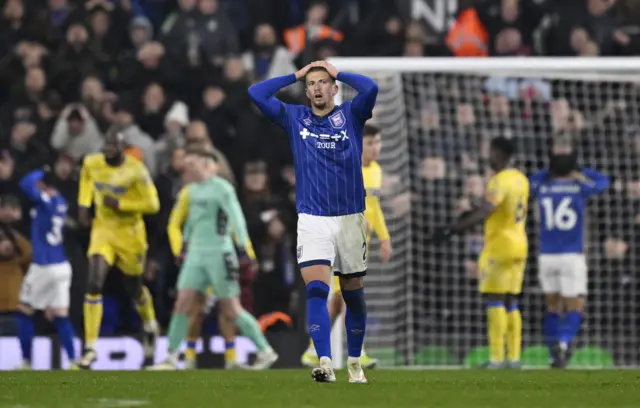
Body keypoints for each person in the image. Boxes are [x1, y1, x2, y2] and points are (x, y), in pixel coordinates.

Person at [249, 60, 378, 383]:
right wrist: (295, 75)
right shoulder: (296, 117)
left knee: (353, 294)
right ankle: (324, 361)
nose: (317, 88)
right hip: (312, 219)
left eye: (323, 82)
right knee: (317, 291)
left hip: (350, 219)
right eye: (311, 84)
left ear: (334, 89)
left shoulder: (352, 114)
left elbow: (371, 88)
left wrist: (339, 72)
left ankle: (354, 364)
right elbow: (256, 93)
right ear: (306, 91)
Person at [149, 147, 278, 370]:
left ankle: (265, 350)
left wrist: (244, 250)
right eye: (188, 166)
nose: (189, 168)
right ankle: (171, 356)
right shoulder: (190, 191)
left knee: (231, 308)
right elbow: (191, 222)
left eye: (193, 164)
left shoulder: (222, 189)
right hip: (196, 256)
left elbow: (237, 221)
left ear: (207, 163)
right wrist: (183, 247)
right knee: (182, 303)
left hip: (220, 253)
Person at [430, 136, 528, 369]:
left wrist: (453, 228)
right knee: (511, 300)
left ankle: (496, 358)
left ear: (500, 154)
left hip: (500, 246)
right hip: (520, 244)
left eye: (491, 153)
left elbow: (487, 209)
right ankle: (513, 358)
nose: (489, 158)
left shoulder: (499, 180)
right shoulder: (521, 179)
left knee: (494, 299)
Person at [301, 123, 392, 369]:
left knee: (340, 299)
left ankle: (312, 350)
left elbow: (374, 208)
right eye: (370, 143)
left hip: (361, 242)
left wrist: (384, 238)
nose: (376, 148)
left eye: (378, 142)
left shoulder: (376, 171)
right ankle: (357, 352)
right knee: (352, 296)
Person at [77, 130, 161, 369]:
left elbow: (153, 204)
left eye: (114, 145)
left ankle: (150, 324)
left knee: (134, 288)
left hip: (131, 235)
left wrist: (122, 204)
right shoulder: (92, 162)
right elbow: (85, 179)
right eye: (106, 145)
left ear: (123, 148)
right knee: (94, 282)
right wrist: (84, 206)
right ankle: (90, 347)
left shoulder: (137, 171)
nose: (108, 149)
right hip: (103, 231)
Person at [530, 139, 609, 368]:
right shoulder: (579, 187)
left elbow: (531, 181)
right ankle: (563, 344)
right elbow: (604, 182)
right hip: (572, 257)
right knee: (576, 305)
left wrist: (551, 172)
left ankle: (552, 353)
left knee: (552, 306)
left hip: (546, 256)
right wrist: (579, 172)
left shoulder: (542, 187)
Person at [16, 168, 77, 370]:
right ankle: (74, 361)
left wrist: (41, 170)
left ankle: (26, 361)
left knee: (24, 311)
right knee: (60, 315)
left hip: (44, 265)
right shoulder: (62, 202)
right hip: (62, 266)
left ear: (45, 185)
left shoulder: (45, 200)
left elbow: (25, 183)